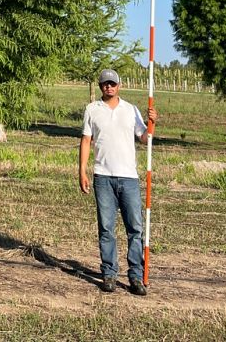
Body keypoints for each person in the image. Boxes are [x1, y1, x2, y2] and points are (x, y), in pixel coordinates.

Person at [78, 68, 158, 295]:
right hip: (102, 177)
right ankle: (109, 273)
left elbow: (144, 138)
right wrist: (82, 171)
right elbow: (86, 140)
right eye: (105, 84)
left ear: (119, 85)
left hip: (129, 178)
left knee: (135, 228)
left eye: (112, 83)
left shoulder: (131, 110)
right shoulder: (92, 109)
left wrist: (152, 123)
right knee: (106, 228)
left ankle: (135, 275)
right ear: (101, 86)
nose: (108, 87)